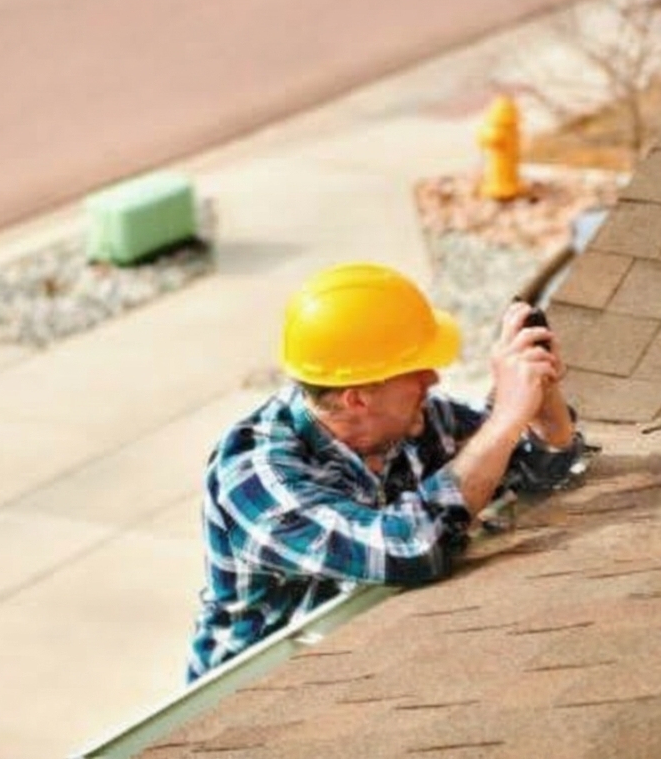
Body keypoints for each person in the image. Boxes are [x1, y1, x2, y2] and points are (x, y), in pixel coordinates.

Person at [185, 262, 582, 682]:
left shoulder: (414, 419)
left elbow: (539, 472)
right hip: (248, 702)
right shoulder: (256, 478)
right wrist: (505, 420)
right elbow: (409, 549)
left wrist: (542, 398)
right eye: (415, 369)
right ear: (357, 399)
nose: (433, 376)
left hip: (359, 657)